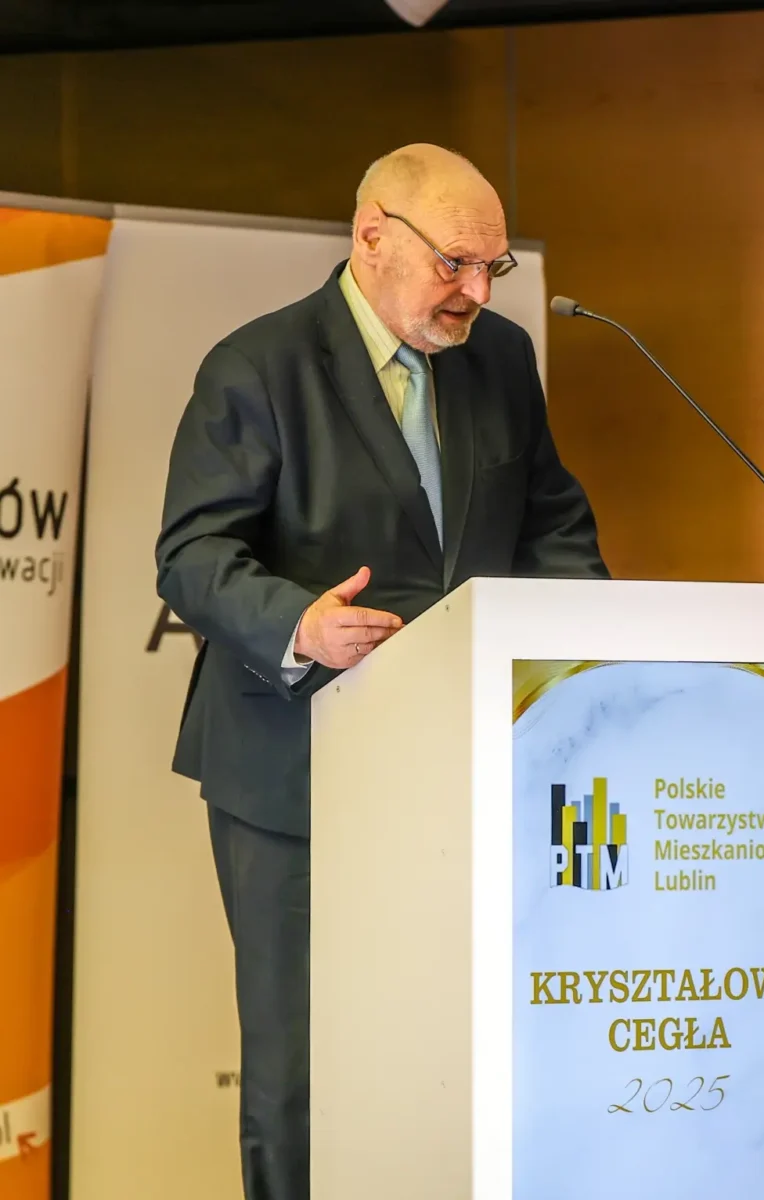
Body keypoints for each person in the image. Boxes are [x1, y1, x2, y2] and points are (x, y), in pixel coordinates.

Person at [155, 142, 608, 1199]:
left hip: (459, 773)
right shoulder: (258, 366)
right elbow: (192, 555)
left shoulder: (499, 358)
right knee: (299, 1074)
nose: (476, 293)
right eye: (456, 263)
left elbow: (551, 522)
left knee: (444, 1051)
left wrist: (592, 646)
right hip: (294, 775)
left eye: (492, 268)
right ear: (372, 236)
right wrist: (299, 625)